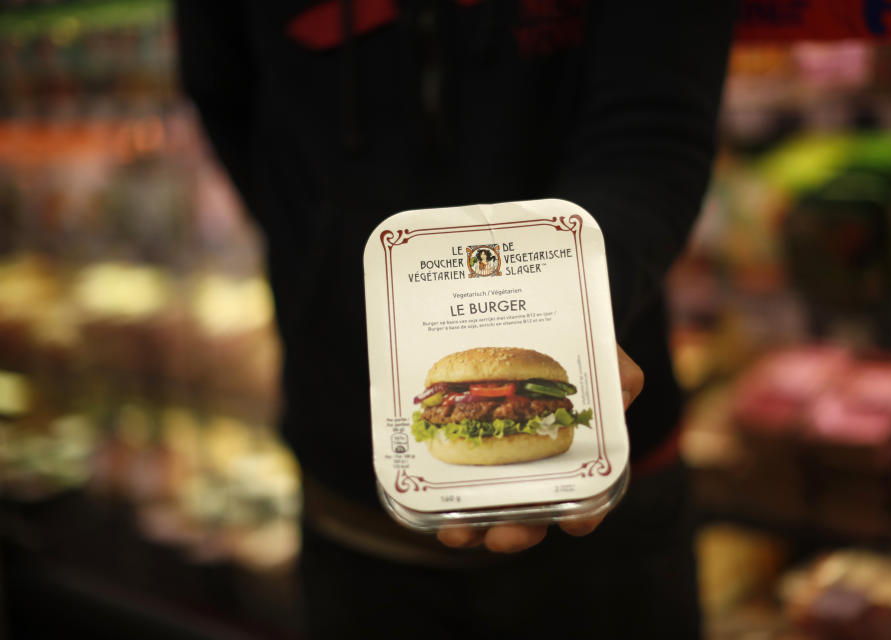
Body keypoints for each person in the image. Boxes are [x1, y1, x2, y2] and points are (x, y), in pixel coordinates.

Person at [175, 1, 735, 636]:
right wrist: (327, 256)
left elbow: (654, 123)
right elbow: (223, 91)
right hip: (353, 490)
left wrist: (573, 306)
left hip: (607, 481)